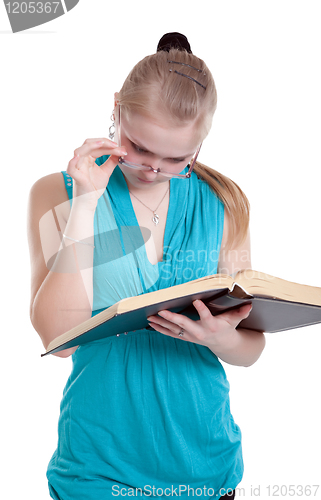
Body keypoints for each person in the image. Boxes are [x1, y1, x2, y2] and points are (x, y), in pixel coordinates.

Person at [27, 33, 266, 500]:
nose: (152, 168)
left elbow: (250, 348)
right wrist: (87, 205)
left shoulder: (225, 203)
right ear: (116, 109)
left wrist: (223, 338)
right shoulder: (58, 193)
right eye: (138, 147)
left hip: (205, 464)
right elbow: (57, 341)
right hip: (98, 469)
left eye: (176, 158)